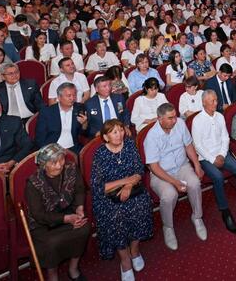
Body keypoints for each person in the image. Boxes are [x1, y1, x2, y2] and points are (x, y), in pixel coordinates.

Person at [91, 119, 153, 281]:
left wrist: (128, 186)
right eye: (114, 132)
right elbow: (101, 187)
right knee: (115, 216)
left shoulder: (130, 145)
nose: (119, 134)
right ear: (106, 137)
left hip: (132, 191)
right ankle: (125, 260)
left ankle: (135, 250)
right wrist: (125, 181)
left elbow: (139, 171)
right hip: (109, 198)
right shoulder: (100, 154)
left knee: (142, 205)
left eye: (120, 130)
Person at [142, 103, 206, 251]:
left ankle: (197, 217)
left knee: (195, 183)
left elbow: (188, 146)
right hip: (161, 173)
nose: (175, 120)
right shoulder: (151, 137)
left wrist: (197, 165)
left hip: (182, 166)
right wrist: (175, 182)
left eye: (175, 116)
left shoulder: (180, 124)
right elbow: (154, 167)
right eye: (170, 118)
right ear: (160, 119)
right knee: (169, 195)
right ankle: (168, 227)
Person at [191, 90, 236, 234]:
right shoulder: (197, 120)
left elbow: (225, 138)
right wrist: (213, 159)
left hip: (222, 153)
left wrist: (221, 154)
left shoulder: (219, 116)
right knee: (218, 177)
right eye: (212, 101)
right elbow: (198, 145)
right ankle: (225, 211)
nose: (216, 103)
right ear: (204, 103)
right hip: (206, 158)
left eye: (216, 100)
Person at [25, 143, 90, 281]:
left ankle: (73, 269)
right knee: (52, 242)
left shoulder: (71, 168)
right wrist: (67, 219)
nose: (59, 165)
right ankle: (52, 275)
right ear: (43, 165)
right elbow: (39, 215)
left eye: (61, 160)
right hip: (44, 224)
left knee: (84, 228)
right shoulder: (34, 183)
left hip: (69, 212)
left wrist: (79, 208)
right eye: (54, 162)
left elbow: (80, 189)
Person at [36, 83, 88, 154]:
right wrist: (48, 151)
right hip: (53, 150)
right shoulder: (47, 112)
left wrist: (84, 124)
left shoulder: (79, 108)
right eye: (69, 96)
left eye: (74, 95)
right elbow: (40, 137)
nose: (72, 98)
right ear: (59, 97)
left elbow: (84, 134)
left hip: (74, 148)